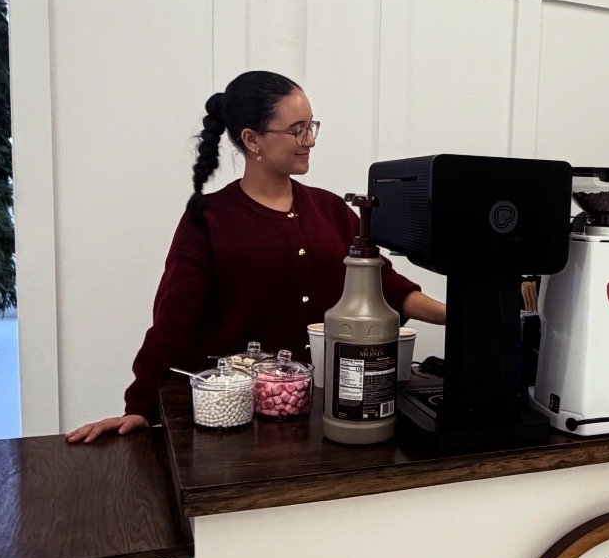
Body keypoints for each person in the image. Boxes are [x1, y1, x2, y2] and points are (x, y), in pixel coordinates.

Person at [67, 71, 445, 442]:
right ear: (252, 139)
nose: (310, 140)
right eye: (297, 129)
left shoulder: (331, 210)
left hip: (329, 416)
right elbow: (174, 324)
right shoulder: (209, 220)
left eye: (312, 126)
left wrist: (457, 314)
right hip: (236, 425)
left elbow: (386, 287)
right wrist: (139, 407)